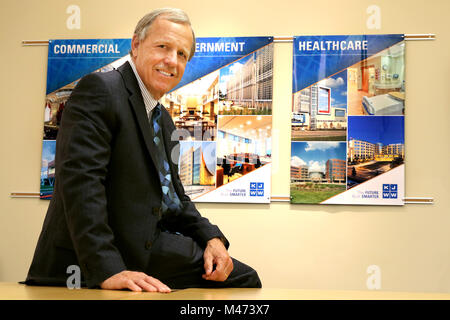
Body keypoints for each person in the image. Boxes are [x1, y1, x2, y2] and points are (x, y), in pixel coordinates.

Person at [25, 8, 261, 292]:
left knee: (240, 277)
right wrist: (108, 270)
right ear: (136, 46)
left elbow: (174, 198)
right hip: (93, 260)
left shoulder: (165, 121)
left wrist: (211, 238)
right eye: (163, 47)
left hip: (145, 246)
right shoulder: (100, 89)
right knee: (246, 281)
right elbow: (81, 185)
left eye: (182, 54)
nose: (172, 60)